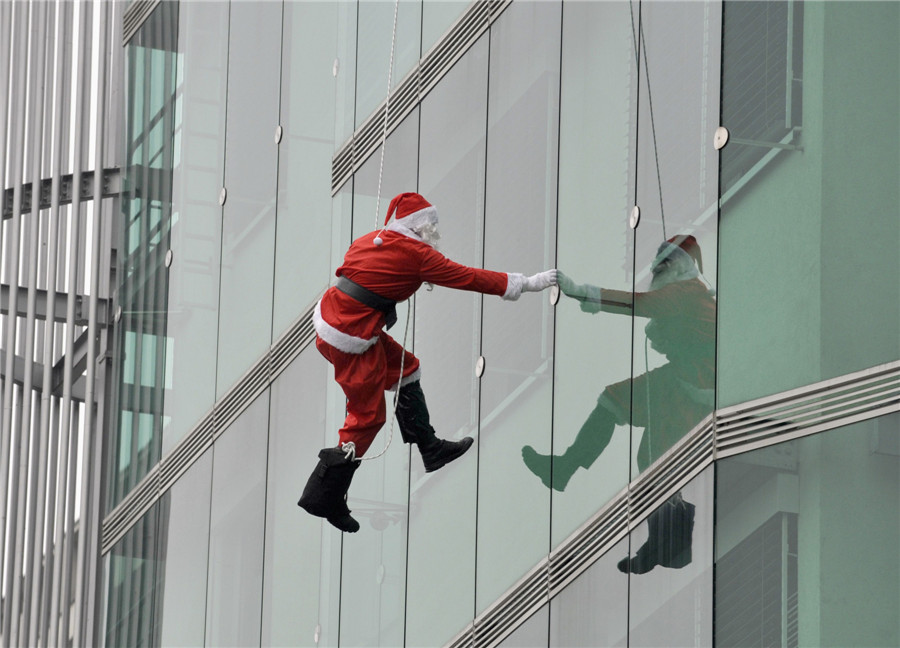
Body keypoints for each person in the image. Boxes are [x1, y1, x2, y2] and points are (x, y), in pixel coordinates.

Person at [299, 192, 557, 533]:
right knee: (367, 418)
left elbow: (360, 272)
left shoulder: (370, 241)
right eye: (431, 227)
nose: (435, 233)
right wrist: (526, 283)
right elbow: (467, 276)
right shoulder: (417, 255)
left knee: (406, 367)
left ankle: (429, 447)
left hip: (342, 324)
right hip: (353, 337)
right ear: (420, 227)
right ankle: (323, 496)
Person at [521, 234, 715, 573]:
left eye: (663, 265)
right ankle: (567, 469)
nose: (657, 272)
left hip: (696, 387)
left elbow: (640, 304)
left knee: (653, 460)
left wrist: (583, 292)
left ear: (677, 267)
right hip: (684, 380)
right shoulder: (688, 296)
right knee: (624, 417)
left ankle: (668, 547)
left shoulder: (685, 293)